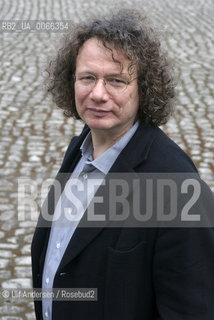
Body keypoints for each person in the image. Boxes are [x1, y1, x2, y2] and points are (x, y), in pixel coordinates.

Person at [31, 9, 214, 320]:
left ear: (143, 89)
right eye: (87, 77)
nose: (98, 94)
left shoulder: (178, 187)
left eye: (116, 81)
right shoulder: (79, 148)